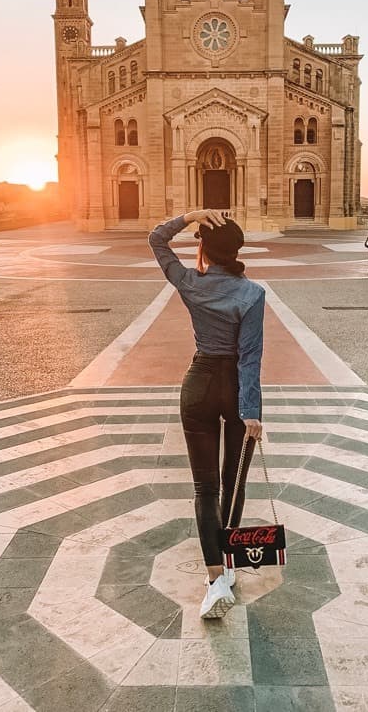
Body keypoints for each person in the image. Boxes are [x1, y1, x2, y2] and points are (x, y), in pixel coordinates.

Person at [149, 209, 265, 619]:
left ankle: (215, 575)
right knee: (233, 483)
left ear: (203, 249)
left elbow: (156, 240)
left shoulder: (189, 283)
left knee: (205, 489)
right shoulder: (252, 294)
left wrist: (191, 216)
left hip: (197, 385)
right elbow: (250, 357)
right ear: (235, 251)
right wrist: (250, 411)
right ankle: (226, 571)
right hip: (235, 389)